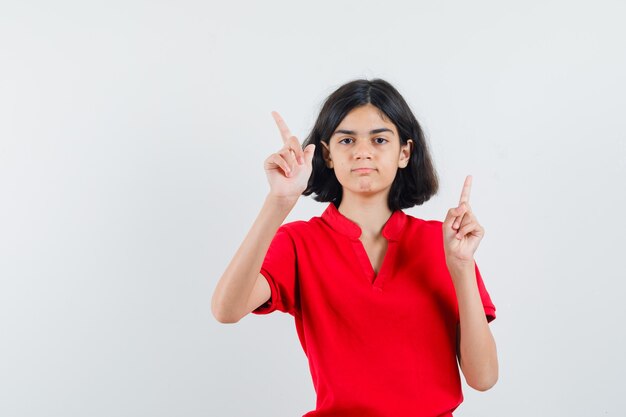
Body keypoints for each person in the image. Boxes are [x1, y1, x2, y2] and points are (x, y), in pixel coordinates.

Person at [211, 78, 498, 417]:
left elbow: (483, 378)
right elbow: (226, 310)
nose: (363, 151)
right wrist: (279, 201)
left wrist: (462, 267)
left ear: (404, 152)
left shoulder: (446, 245)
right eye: (347, 139)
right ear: (328, 154)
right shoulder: (300, 243)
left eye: (379, 139)